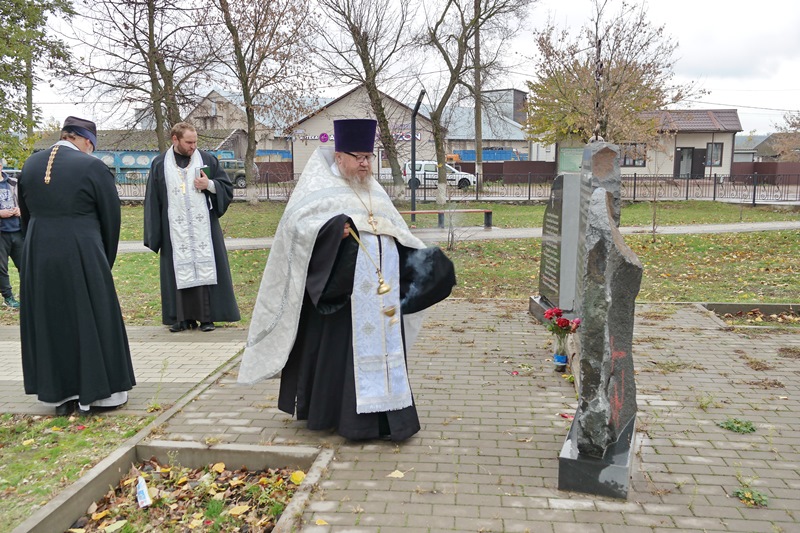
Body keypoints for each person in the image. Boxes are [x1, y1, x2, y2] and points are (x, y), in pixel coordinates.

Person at [239, 119, 456, 442]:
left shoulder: (372, 189)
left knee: (387, 351)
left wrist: (422, 259)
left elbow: (394, 229)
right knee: (344, 354)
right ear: (339, 156)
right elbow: (296, 231)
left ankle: (388, 419)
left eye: (369, 157)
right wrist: (331, 231)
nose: (365, 163)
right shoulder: (317, 186)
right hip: (342, 296)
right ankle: (347, 419)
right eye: (358, 157)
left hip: (381, 293)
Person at [18, 116, 135, 416]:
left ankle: (59, 396)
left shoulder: (29, 165)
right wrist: (102, 259)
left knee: (51, 320)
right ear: (86, 141)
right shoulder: (93, 167)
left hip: (38, 254)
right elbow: (111, 219)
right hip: (82, 250)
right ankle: (96, 396)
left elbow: (26, 217)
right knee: (88, 318)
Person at [144, 122, 240, 332]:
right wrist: (155, 233)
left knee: (205, 267)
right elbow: (153, 198)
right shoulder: (160, 164)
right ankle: (182, 318)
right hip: (174, 230)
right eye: (188, 142)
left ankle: (207, 318)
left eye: (195, 141)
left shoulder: (206, 160)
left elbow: (226, 187)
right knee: (178, 270)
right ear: (175, 139)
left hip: (203, 229)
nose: (193, 146)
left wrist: (210, 185)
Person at [0, 158, 23, 308]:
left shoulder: (14, 183)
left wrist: (21, 210)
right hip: (1, 233)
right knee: (1, 268)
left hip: (17, 230)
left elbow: (25, 202)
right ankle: (8, 298)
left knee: (25, 265)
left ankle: (28, 295)